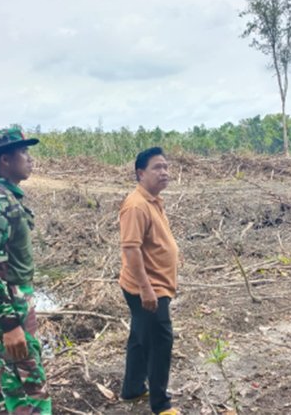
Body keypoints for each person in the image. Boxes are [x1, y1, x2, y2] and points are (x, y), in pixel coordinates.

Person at [0, 128, 52, 415]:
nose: (30, 159)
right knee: (31, 390)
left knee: (1, 389)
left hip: (6, 305)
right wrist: (10, 325)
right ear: (5, 160)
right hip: (9, 306)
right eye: (23, 152)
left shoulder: (2, 196)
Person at [118, 147, 180, 415]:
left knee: (140, 337)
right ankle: (161, 405)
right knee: (160, 342)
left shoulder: (152, 201)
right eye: (157, 167)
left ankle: (132, 389)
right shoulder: (136, 205)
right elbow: (130, 249)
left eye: (166, 166)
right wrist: (146, 289)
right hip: (148, 287)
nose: (164, 172)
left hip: (154, 284)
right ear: (140, 173)